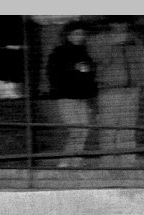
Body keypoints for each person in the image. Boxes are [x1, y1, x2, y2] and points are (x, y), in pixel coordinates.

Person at [90, 18, 144, 166]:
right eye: (117, 21)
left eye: (123, 22)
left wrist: (140, 84)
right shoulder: (99, 39)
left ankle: (127, 163)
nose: (120, 25)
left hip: (132, 90)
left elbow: (142, 62)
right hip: (110, 90)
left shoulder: (135, 41)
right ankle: (107, 163)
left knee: (128, 128)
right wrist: (113, 43)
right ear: (110, 23)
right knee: (108, 128)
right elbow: (98, 58)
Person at [47, 21, 97, 168]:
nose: (79, 37)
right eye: (76, 34)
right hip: (66, 96)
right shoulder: (59, 52)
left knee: (84, 129)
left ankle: (75, 161)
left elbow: (90, 75)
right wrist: (73, 68)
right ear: (68, 35)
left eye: (82, 34)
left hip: (82, 97)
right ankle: (66, 161)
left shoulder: (85, 53)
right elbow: (53, 73)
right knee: (76, 130)